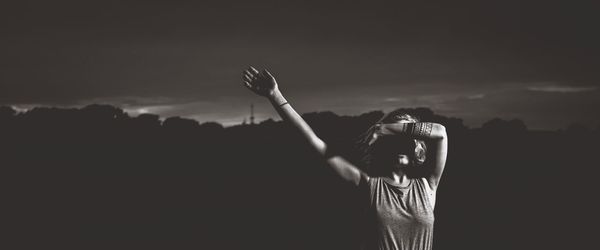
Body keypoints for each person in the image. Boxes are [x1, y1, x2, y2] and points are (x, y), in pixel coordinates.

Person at [242, 66, 448, 250]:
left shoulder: (428, 187)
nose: (402, 143)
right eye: (395, 139)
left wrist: (387, 128)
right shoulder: (369, 186)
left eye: (407, 137)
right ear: (385, 146)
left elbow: (441, 133)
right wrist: (275, 96)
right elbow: (315, 143)